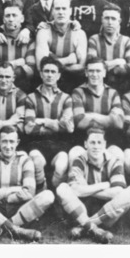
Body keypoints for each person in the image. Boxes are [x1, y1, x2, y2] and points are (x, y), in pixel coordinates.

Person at [0, 126, 53, 242]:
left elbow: (29, 193)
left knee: (48, 196)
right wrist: (13, 189)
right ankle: (16, 229)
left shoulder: (25, 161)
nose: (8, 146)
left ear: (17, 143)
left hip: (19, 210)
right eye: (4, 141)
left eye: (11, 141)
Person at [24, 56, 74, 192]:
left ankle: (56, 195)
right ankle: (41, 190)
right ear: (41, 74)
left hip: (60, 144)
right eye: (46, 71)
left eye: (53, 72)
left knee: (62, 164)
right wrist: (57, 125)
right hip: (37, 144)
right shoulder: (31, 98)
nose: (49, 75)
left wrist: (44, 121)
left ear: (58, 75)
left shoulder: (66, 98)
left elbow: (69, 127)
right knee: (37, 161)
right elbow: (29, 128)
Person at [70, 57, 124, 162]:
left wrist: (90, 116)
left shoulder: (113, 93)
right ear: (86, 73)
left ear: (104, 73)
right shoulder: (78, 92)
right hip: (83, 141)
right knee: (73, 157)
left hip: (108, 141)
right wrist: (108, 118)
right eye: (91, 71)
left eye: (98, 71)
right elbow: (80, 122)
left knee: (120, 156)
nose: (94, 74)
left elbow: (119, 123)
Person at [35, 0, 87, 94]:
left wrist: (53, 58)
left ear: (70, 11)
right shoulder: (44, 31)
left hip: (72, 83)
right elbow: (40, 66)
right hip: (48, 83)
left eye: (64, 9)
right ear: (52, 11)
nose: (61, 12)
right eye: (57, 8)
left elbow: (81, 67)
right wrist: (68, 60)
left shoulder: (79, 33)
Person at [87, 4, 130, 94]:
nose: (110, 22)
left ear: (119, 21)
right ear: (102, 20)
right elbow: (92, 65)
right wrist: (117, 62)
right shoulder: (94, 39)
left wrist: (109, 68)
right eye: (107, 18)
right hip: (99, 87)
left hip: (122, 87)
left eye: (113, 19)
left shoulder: (127, 41)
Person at [0, 2, 36, 93]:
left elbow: (30, 70)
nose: (11, 19)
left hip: (23, 88)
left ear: (22, 19)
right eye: (7, 16)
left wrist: (3, 67)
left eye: (14, 15)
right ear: (3, 19)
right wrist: (17, 63)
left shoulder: (30, 40)